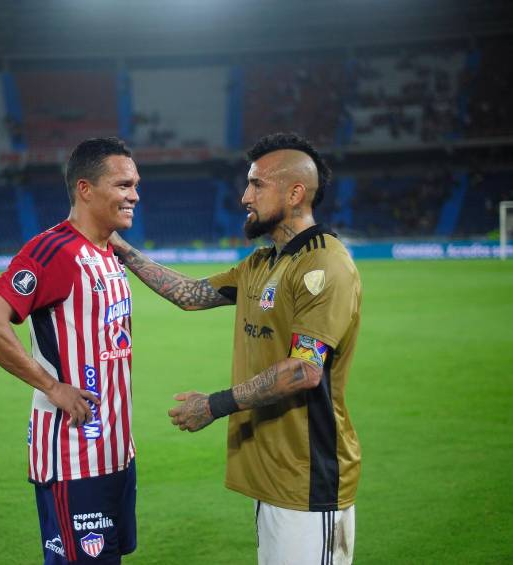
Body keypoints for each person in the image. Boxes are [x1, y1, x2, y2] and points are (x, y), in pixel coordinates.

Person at [110, 132, 361, 564]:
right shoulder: (261, 263)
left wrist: (214, 405)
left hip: (308, 482)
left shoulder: (325, 263)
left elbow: (305, 371)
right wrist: (122, 250)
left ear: (296, 192)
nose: (245, 196)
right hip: (270, 476)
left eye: (257, 184)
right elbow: (189, 294)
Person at [0, 137, 140, 564]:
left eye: (135, 184)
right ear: (85, 189)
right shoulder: (54, 251)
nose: (134, 194)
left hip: (117, 452)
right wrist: (52, 385)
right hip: (73, 458)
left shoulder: (109, 251)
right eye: (122, 185)